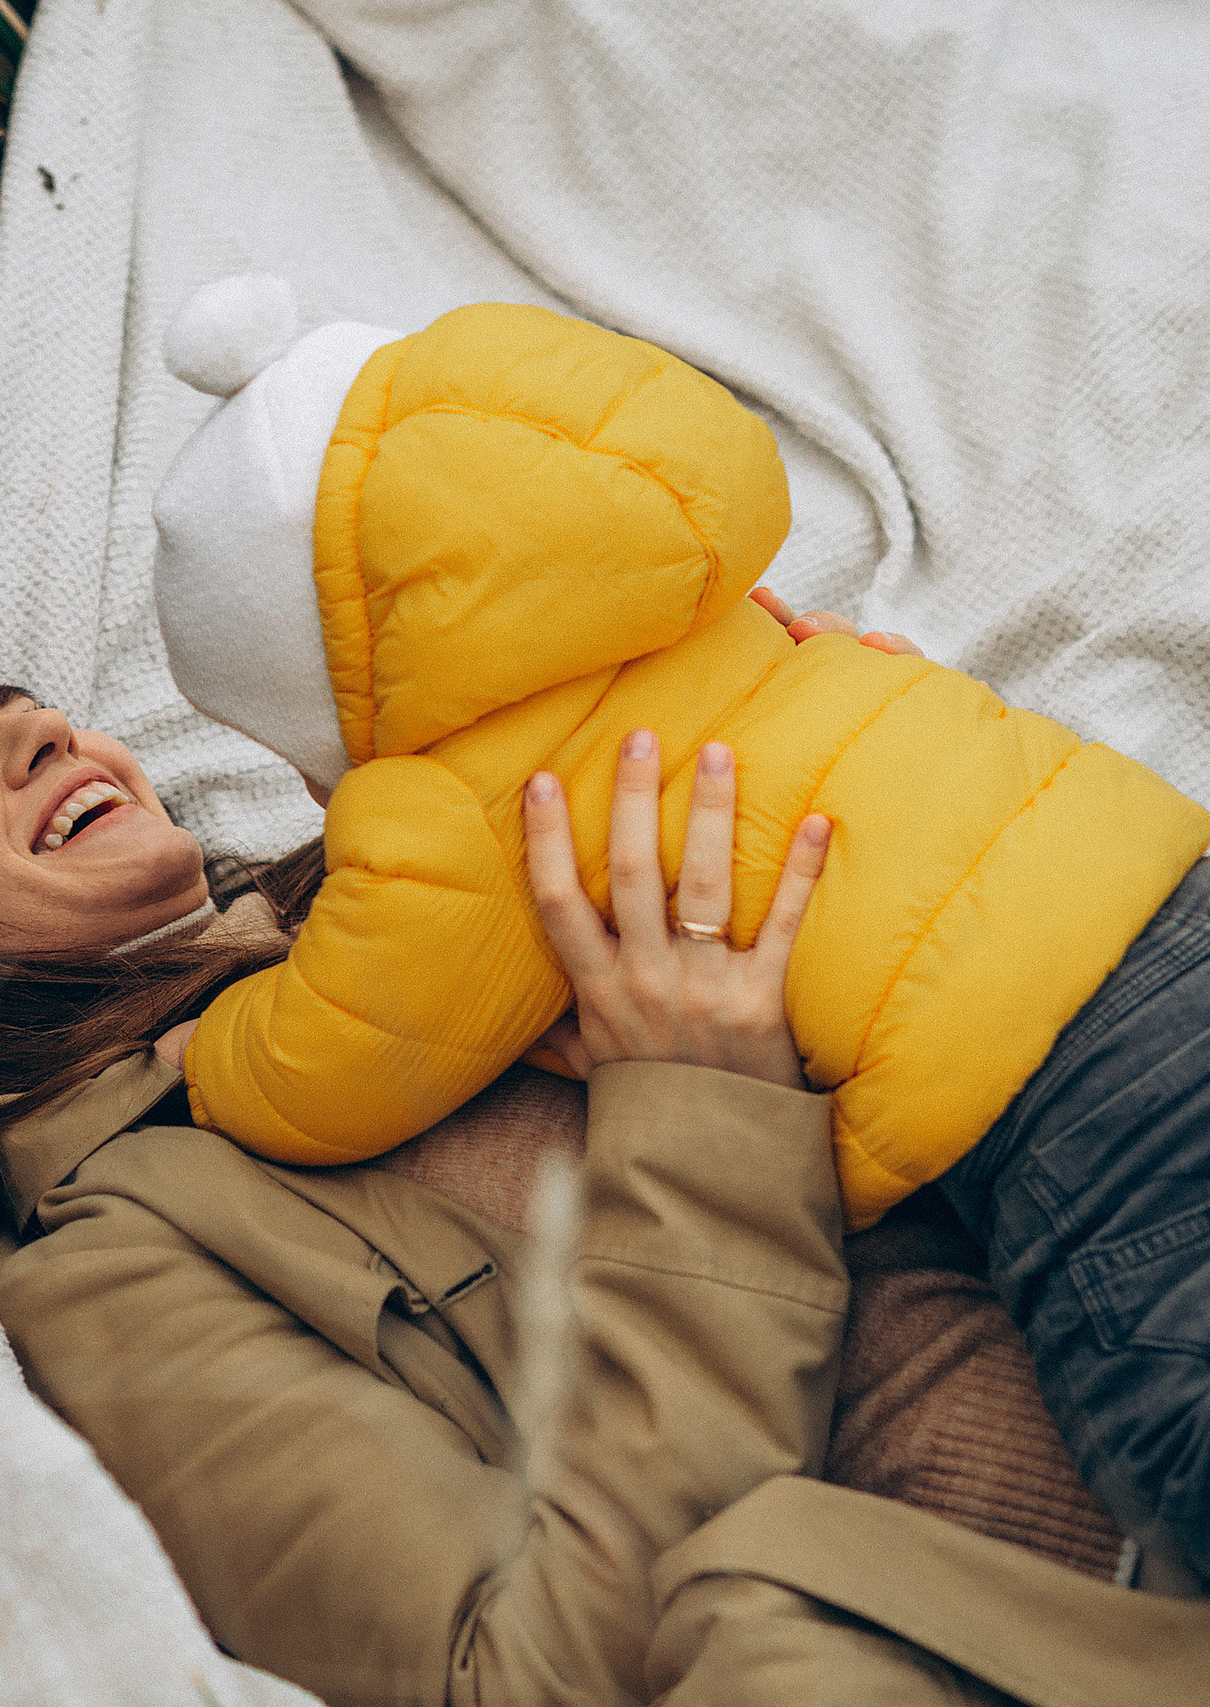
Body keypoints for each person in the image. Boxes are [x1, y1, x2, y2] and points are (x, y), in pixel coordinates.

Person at [0, 620, 1210, 1702]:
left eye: (33, 705)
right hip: (1078, 1603)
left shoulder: (412, 871)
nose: (45, 737)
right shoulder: (107, 1262)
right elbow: (523, 1670)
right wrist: (695, 1113)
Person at [146, 285, 1210, 1567]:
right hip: (1163, 869)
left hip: (1054, 1091)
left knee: (1177, 1445)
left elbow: (346, 1058)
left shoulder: (451, 807)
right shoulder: (731, 614)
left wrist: (217, 1052)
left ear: (338, 681)